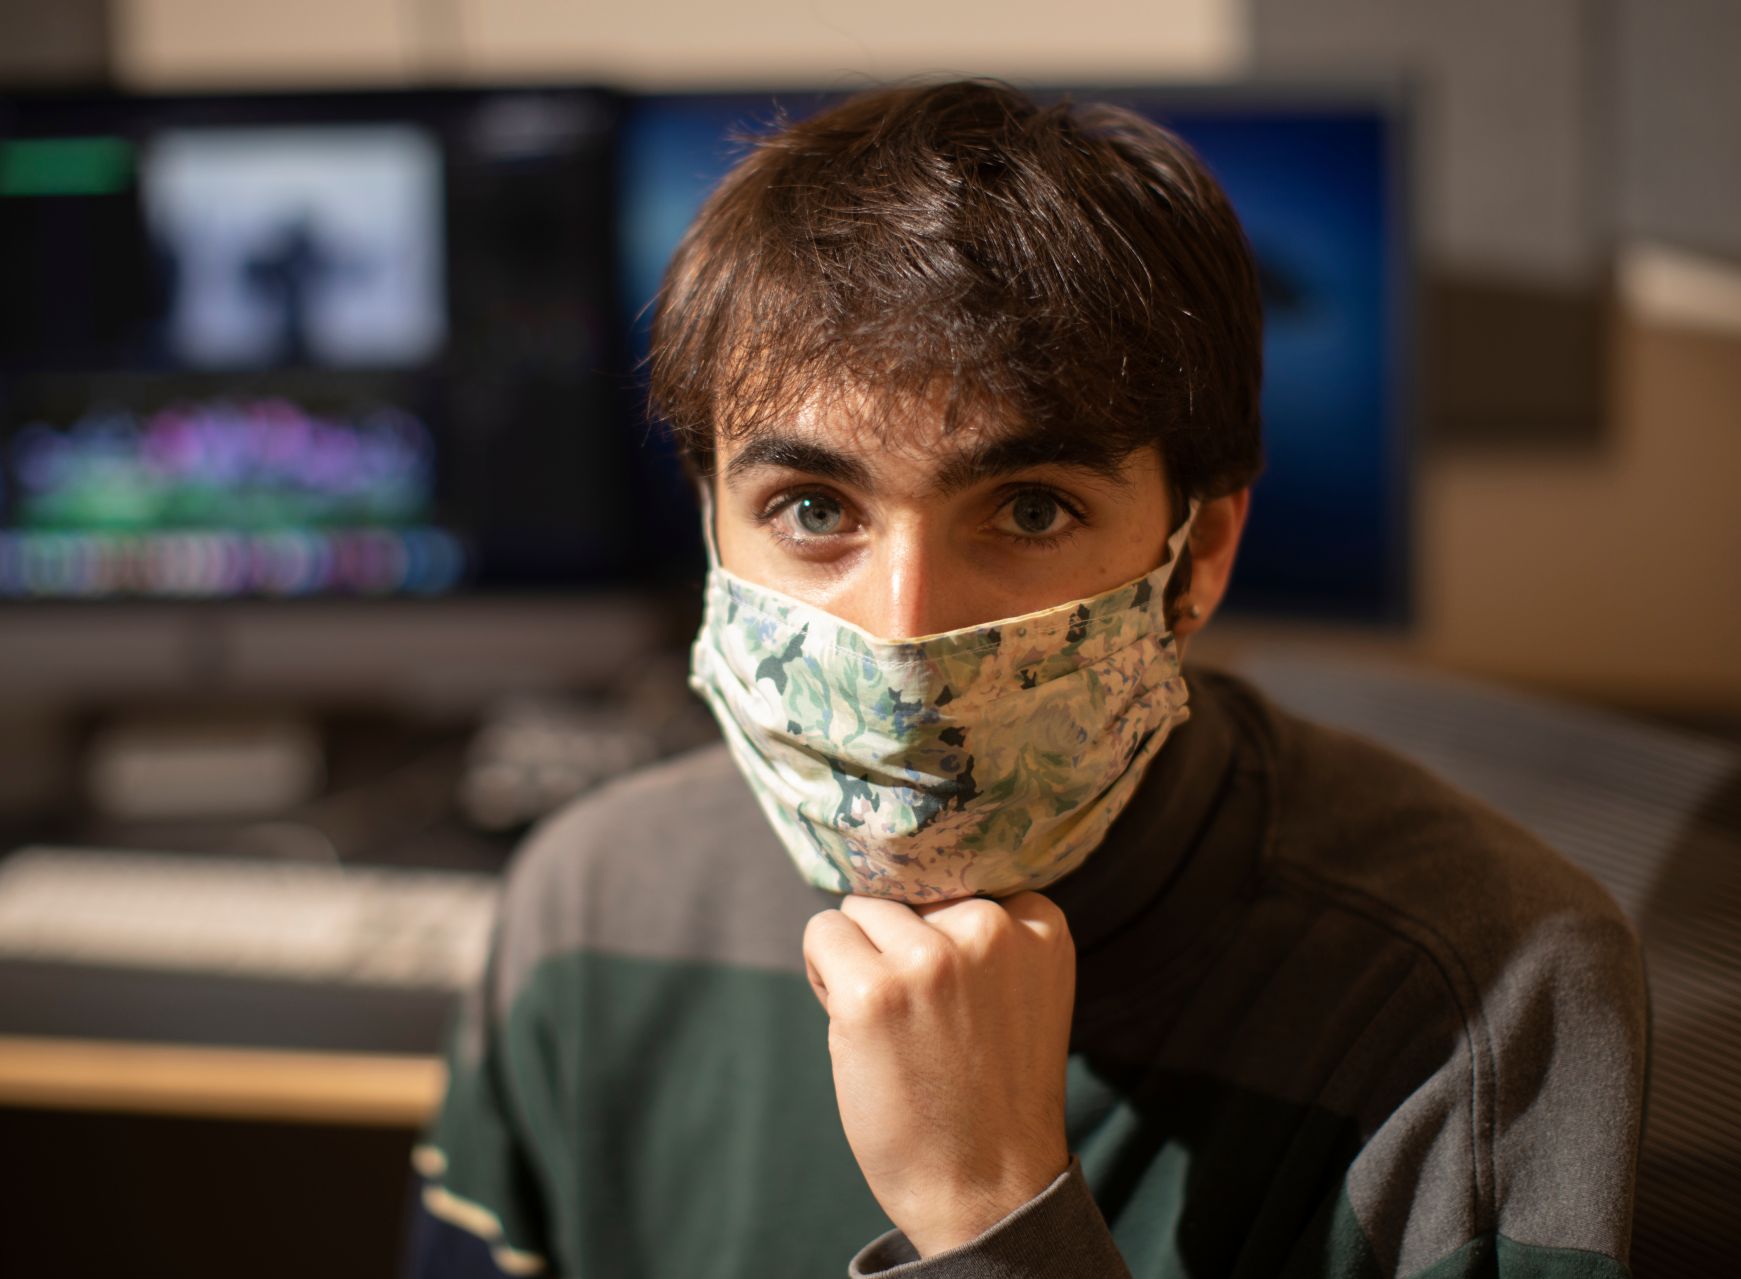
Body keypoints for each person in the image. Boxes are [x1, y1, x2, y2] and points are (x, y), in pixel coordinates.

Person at [406, 80, 1647, 1278]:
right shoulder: (587, 907)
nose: (901, 632)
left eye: (1031, 509)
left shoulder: (1488, 1003)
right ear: (708, 522)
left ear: (1197, 550)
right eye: (809, 508)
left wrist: (987, 1214)